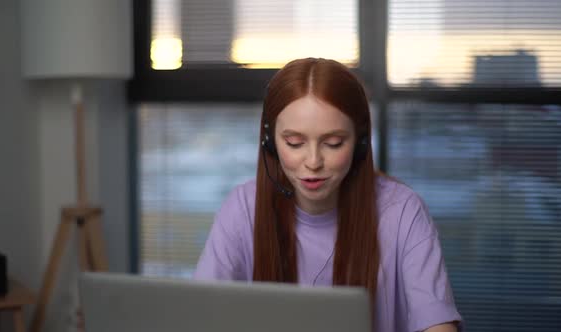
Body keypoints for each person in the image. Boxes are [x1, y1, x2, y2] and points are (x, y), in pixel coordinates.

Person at [193, 58, 462, 332]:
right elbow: (199, 315)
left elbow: (438, 326)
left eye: (333, 143)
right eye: (294, 143)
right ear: (269, 142)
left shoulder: (403, 211)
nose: (313, 161)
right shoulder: (243, 208)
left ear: (360, 143)